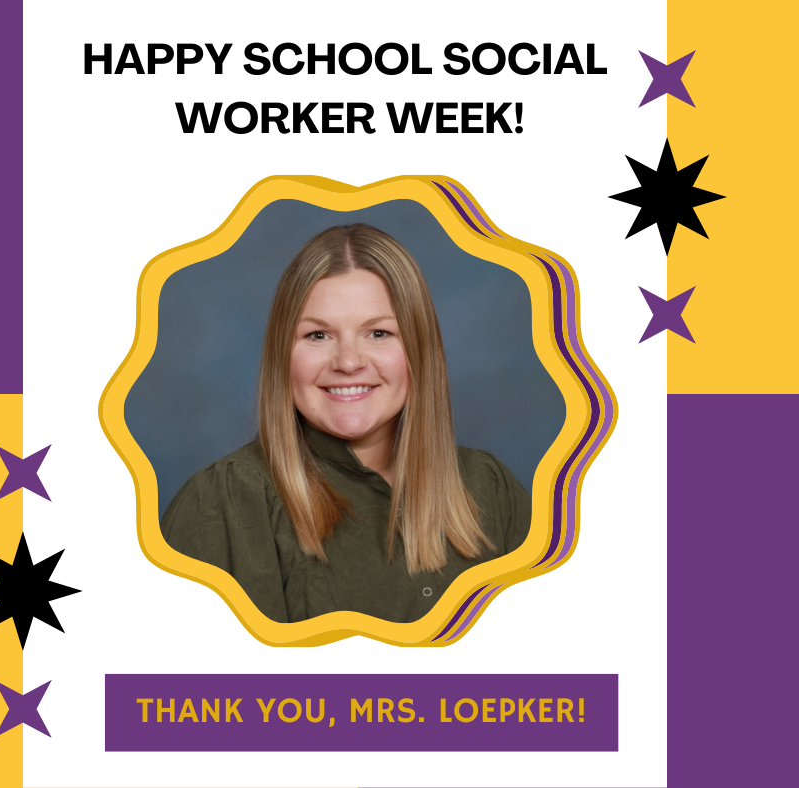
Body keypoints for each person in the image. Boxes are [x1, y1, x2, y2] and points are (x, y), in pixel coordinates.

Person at [161, 224, 530, 623]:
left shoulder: (491, 488)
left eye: (378, 333)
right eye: (318, 335)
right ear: (283, 354)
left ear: (419, 350)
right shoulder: (225, 503)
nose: (349, 362)